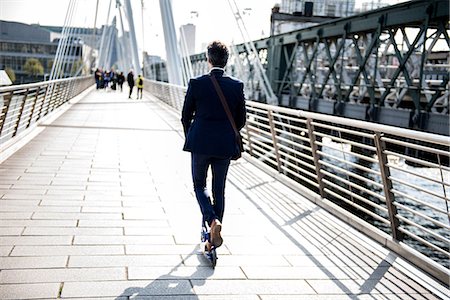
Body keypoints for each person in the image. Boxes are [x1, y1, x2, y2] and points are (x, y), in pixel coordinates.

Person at [181, 41, 246, 251]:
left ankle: (211, 221)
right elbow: (241, 120)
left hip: (200, 142)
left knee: (199, 186)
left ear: (208, 60)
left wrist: (191, 136)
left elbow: (185, 116)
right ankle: (212, 237)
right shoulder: (236, 86)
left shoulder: (196, 83)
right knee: (220, 190)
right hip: (224, 146)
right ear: (226, 61)